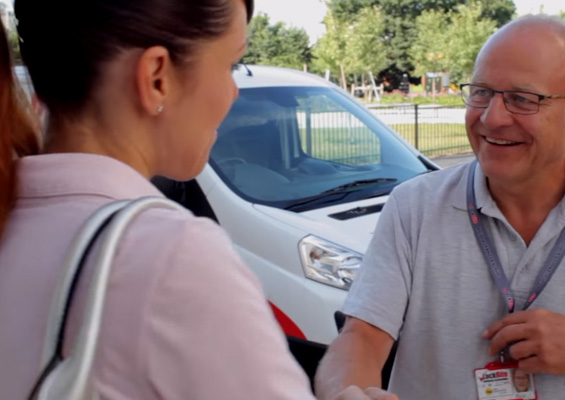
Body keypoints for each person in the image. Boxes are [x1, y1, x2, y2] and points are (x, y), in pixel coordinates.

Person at [0, 1, 328, 399]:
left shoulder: (14, 215)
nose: (233, 92)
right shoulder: (170, 256)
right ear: (158, 77)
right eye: (231, 66)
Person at [315, 15, 565, 400]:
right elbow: (362, 336)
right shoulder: (414, 208)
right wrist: (347, 391)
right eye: (481, 93)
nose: (492, 118)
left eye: (522, 99)